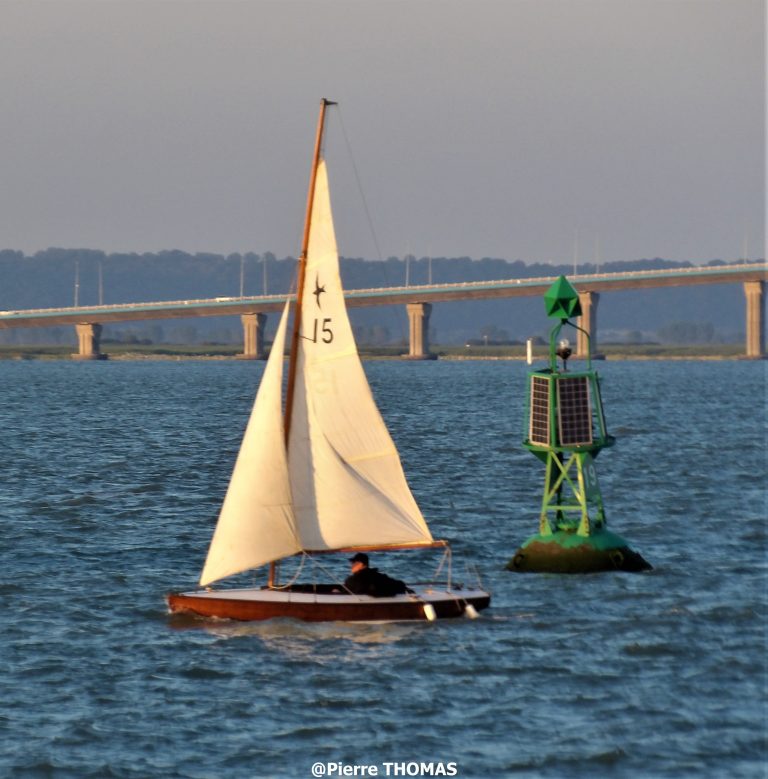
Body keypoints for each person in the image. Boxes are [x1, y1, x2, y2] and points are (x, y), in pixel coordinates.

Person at [343, 552, 409, 597]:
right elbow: (400, 585)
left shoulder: (352, 580)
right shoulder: (377, 576)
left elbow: (347, 590)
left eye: (353, 563)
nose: (351, 566)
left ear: (361, 564)